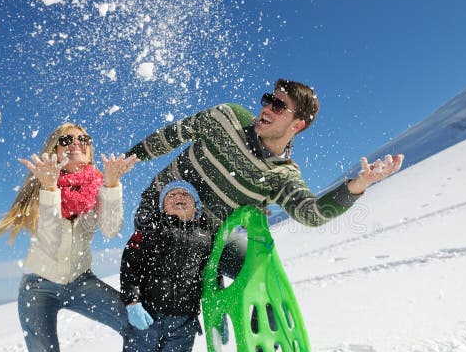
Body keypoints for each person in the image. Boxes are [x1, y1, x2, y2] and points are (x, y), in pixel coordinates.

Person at [125, 78, 404, 276]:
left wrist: (358, 185)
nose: (267, 108)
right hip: (160, 213)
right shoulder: (226, 118)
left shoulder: (282, 175)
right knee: (168, 281)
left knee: (262, 273)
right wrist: (126, 161)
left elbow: (312, 214)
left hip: (213, 238)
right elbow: (171, 136)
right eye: (268, 100)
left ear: (298, 124)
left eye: (279, 106)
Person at [0, 122, 138, 352]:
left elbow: (112, 230)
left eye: (83, 138)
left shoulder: (97, 184)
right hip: (39, 287)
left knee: (135, 326)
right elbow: (50, 240)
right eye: (65, 139)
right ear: (55, 150)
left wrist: (112, 185)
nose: (75, 143)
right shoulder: (44, 185)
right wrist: (48, 189)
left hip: (80, 281)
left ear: (89, 148)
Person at [96, 181, 213, 352]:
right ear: (162, 207)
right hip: (148, 316)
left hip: (184, 320)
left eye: (185, 194)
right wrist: (133, 302)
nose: (179, 197)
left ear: (197, 207)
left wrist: (218, 311)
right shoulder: (150, 230)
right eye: (171, 196)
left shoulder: (206, 238)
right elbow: (130, 268)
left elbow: (211, 277)